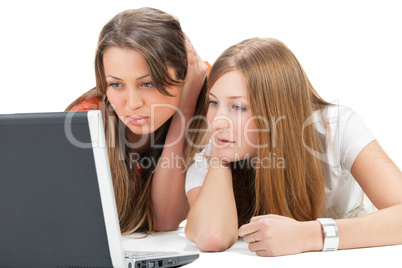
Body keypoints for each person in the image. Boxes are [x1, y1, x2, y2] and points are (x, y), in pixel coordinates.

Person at [184, 37, 402, 256]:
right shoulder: (208, 157)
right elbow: (211, 237)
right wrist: (220, 159)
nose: (218, 121)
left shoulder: (335, 128)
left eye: (238, 107)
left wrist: (309, 235)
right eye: (213, 102)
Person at [66, 7, 208, 234]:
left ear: (186, 76)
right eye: (116, 84)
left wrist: (186, 107)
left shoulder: (210, 98)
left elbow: (165, 220)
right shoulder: (85, 122)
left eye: (147, 83)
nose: (132, 103)